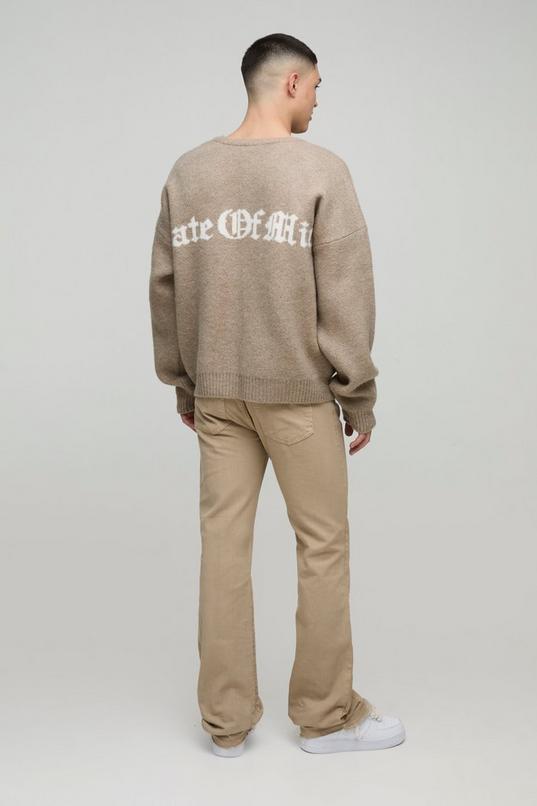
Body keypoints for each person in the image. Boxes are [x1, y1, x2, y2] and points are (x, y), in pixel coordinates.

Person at [149, 32, 406, 757]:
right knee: (321, 546)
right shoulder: (320, 169)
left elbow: (164, 286)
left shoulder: (189, 173)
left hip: (217, 393)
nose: (318, 101)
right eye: (317, 86)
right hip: (295, 394)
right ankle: (324, 718)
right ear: (291, 82)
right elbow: (346, 295)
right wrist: (357, 395)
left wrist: (184, 382)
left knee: (222, 548)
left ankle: (226, 727)